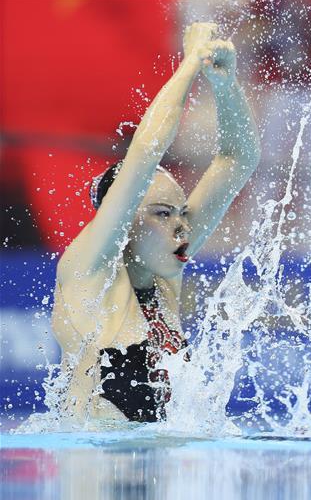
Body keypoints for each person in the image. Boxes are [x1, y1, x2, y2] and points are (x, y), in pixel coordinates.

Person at [51, 23, 260, 424]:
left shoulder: (161, 275)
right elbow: (147, 151)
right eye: (163, 213)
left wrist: (225, 83)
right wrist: (189, 64)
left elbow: (237, 160)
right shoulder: (88, 272)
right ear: (121, 222)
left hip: (160, 472)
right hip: (98, 470)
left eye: (181, 213)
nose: (182, 227)